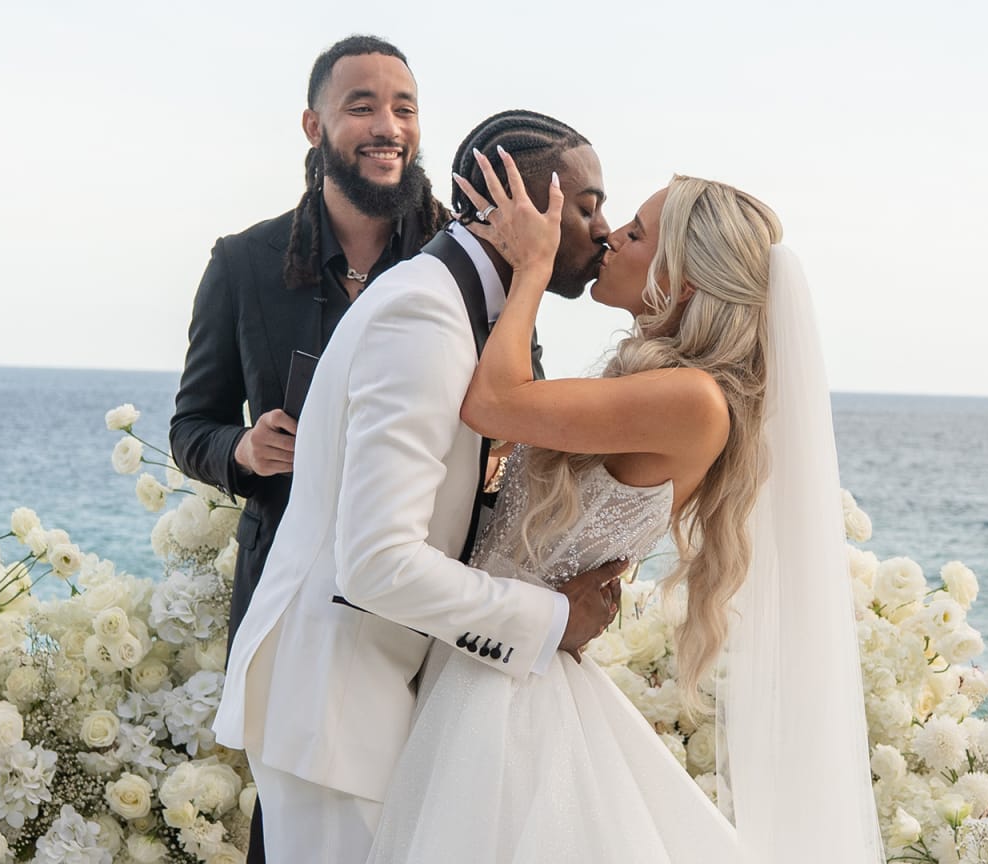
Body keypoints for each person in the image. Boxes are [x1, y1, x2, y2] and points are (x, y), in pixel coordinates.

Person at [365, 156, 884, 861]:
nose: (610, 239)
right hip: (496, 660)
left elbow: (494, 402)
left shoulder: (692, 400)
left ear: (683, 275)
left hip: (507, 702)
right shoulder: (662, 385)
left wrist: (532, 269)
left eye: (636, 235)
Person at [211, 110, 623, 864]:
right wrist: (549, 621)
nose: (604, 229)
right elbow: (378, 564)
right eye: (588, 205)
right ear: (516, 209)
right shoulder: (425, 317)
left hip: (364, 702)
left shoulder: (462, 307)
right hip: (335, 714)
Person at [170, 35, 452, 651]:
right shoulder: (242, 262)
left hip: (430, 600)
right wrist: (244, 448)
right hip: (284, 597)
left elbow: (519, 404)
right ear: (313, 125)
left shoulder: (464, 259)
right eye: (361, 107)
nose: (388, 127)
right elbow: (191, 428)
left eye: (405, 109)